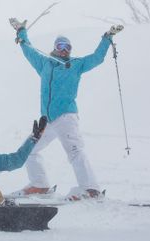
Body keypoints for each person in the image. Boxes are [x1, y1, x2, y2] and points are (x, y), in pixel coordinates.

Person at [8, 18, 123, 199]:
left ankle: (90, 189)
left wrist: (107, 38)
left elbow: (97, 58)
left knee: (75, 151)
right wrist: (21, 32)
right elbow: (28, 49)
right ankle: (39, 185)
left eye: (68, 47)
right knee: (29, 150)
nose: (64, 50)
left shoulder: (75, 65)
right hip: (47, 119)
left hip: (66, 116)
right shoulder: (44, 64)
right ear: (55, 46)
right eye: (61, 46)